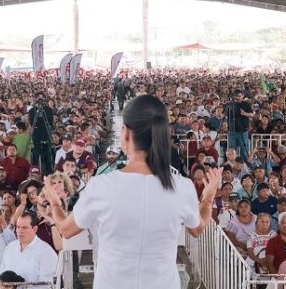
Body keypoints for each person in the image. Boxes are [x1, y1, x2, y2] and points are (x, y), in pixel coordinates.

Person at [42, 95, 224, 289]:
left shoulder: (101, 186)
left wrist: (54, 202)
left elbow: (65, 229)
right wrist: (208, 197)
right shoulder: (181, 187)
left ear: (125, 133)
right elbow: (197, 228)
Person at [0, 212, 57, 288]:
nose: (20, 231)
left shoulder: (46, 252)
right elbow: (1, 276)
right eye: (18, 227)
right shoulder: (10, 247)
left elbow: (47, 285)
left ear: (35, 229)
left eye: (24, 227)